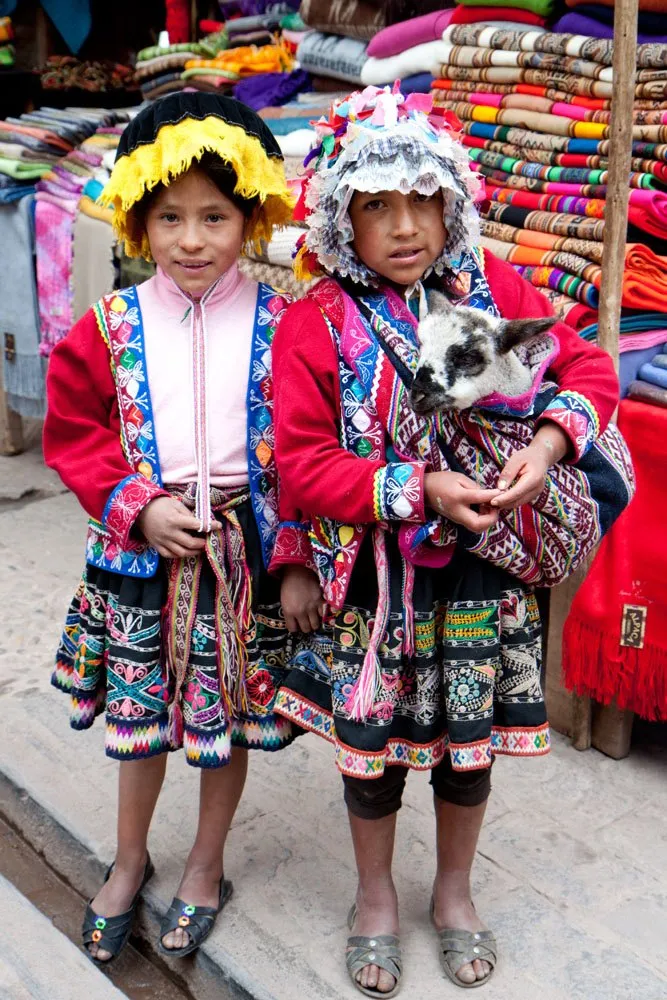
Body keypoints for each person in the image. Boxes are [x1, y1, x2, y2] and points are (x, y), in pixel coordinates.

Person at [270, 85, 621, 996]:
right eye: (375, 205)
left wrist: (546, 446)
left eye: (419, 199)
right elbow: (301, 466)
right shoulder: (317, 319)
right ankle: (376, 897)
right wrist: (412, 485)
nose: (402, 225)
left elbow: (583, 363)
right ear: (342, 216)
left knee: (469, 747)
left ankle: (455, 894)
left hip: (477, 573)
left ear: (448, 200)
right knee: (374, 752)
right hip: (378, 580)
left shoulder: (491, 285)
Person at [43, 93, 322, 965]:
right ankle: (129, 861)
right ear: (136, 220)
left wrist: (295, 561)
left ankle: (205, 866)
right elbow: (77, 433)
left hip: (241, 560)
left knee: (222, 718)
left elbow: (310, 451)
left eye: (214, 217)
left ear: (253, 219)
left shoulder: (288, 326)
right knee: (142, 717)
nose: (192, 240)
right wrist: (138, 503)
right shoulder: (108, 327)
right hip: (139, 555)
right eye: (169, 218)